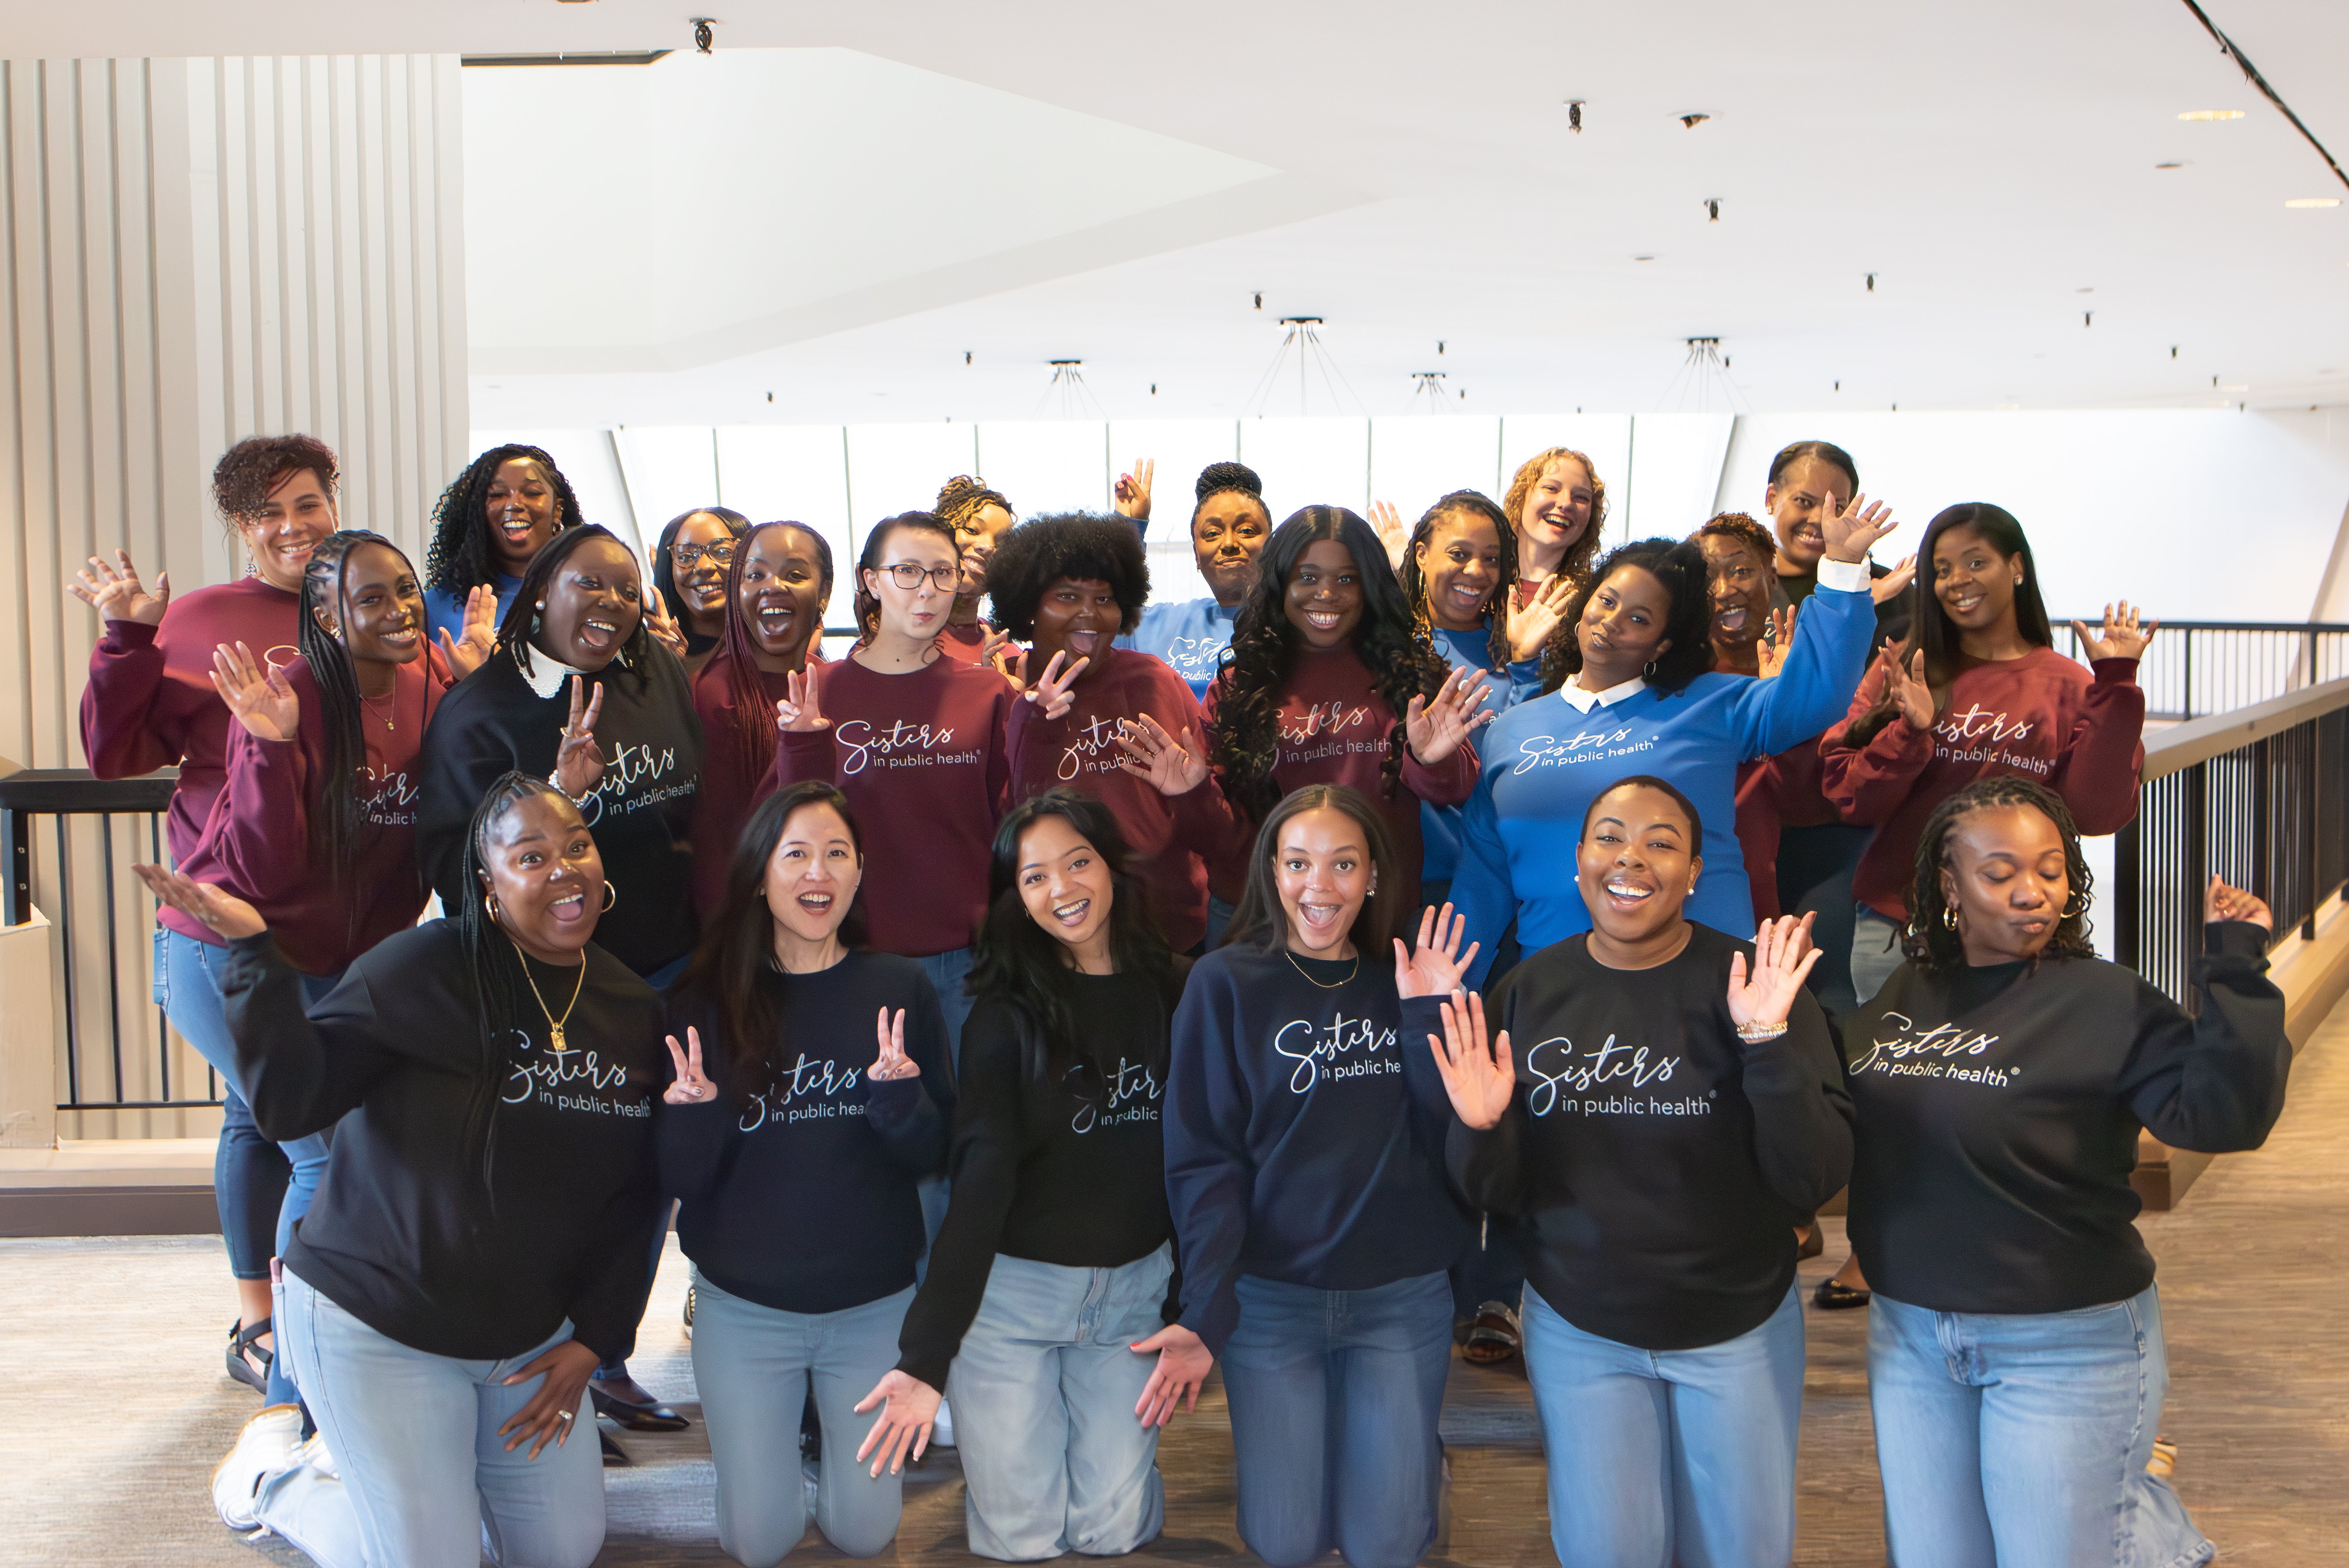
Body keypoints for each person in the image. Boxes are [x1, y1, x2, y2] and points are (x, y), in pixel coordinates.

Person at [155, 772, 665, 1568]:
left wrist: (596, 1338)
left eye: (577, 845)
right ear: (488, 885)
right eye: (530, 856)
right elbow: (292, 1104)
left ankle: (413, 1488)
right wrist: (256, 956)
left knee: (563, 1551)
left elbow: (635, 1195)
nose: (565, 868)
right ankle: (284, 1486)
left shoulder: (632, 1008)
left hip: (522, 1338)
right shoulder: (421, 969)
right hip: (377, 1322)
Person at [1843, 777, 2288, 1567]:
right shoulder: (1907, 990)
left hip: (2064, 1340)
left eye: (2049, 870)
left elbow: (2222, 1117)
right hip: (1912, 1334)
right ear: (1948, 885)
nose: (2030, 893)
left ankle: (2138, 1517)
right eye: (1999, 871)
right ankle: (2127, 1500)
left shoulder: (2107, 1002)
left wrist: (2237, 975)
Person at [1423, 776, 1853, 1568]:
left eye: (1661, 842)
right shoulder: (1528, 991)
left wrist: (1766, 1044)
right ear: (1579, 862)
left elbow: (1810, 1178)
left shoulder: (1758, 983)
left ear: (1695, 871)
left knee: (1739, 1552)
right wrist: (1480, 1128)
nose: (1633, 858)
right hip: (1582, 1327)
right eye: (1610, 837)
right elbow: (1493, 1196)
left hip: (1737, 1326)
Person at [1813, 502, 2153, 1310]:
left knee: (2002, 1098)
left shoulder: (2069, 685)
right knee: (1895, 1103)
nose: (1955, 581)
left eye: (1974, 562)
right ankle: (1873, 1246)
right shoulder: (1907, 667)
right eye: (1940, 567)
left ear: (2016, 567)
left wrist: (2115, 682)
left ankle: (2005, 1243)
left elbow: (2097, 809)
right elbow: (1847, 794)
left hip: (2018, 943)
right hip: (1896, 923)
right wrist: (1914, 731)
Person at [857, 790, 1205, 1561]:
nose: (1062, 889)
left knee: (1106, 1532)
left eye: (1077, 862)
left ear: (1112, 866)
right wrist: (927, 1356)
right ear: (1015, 896)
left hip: (1129, 1298)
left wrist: (1197, 1307)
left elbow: (1207, 1164)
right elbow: (979, 1183)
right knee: (1021, 1539)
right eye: (1034, 876)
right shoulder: (1003, 1014)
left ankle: (1097, 1467)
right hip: (1011, 1302)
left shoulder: (1182, 991)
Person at [183, 530, 485, 1410]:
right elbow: (266, 872)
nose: (397, 612)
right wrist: (273, 748)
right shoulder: (291, 700)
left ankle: (324, 1363)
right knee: (323, 1155)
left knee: (299, 1134)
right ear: (325, 615)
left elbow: (441, 827)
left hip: (336, 960)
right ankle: (292, 1401)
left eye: (403, 593)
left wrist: (473, 689)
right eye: (371, 598)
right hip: (230, 947)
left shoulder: (429, 685)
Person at [72, 434, 347, 1397]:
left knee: (266, 1112)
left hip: (347, 926)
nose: (289, 528)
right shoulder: (195, 620)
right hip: (223, 918)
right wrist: (124, 638)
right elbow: (114, 757)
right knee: (290, 1132)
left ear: (333, 502)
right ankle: (271, 1325)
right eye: (265, 514)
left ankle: (293, 1317)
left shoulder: (365, 608)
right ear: (240, 527)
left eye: (305, 505)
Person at [416, 521, 704, 1426]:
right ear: (538, 591)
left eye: (625, 589)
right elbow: (456, 873)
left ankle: (603, 1348)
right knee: (555, 1173)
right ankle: (537, 1358)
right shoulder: (481, 714)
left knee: (644, 1175)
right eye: (589, 585)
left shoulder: (654, 676)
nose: (610, 605)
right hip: (546, 997)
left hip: (662, 973)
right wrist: (558, 797)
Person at [1164, 785, 1476, 1568]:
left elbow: (1454, 1141)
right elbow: (1203, 1158)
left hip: (1397, 1295)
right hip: (1273, 1300)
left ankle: (1411, 1470)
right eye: (1298, 862)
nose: (1319, 886)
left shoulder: (1406, 979)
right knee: (1285, 1539)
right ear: (1271, 871)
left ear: (1372, 876)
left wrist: (1425, 1015)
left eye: (1343, 864)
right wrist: (1207, 1304)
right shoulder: (1223, 982)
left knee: (1385, 1547)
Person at [660, 781, 954, 1565]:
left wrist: (898, 1100)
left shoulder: (899, 989)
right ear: (760, 873)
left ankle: (815, 1457)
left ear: (859, 872)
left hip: (871, 1306)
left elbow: (932, 1153)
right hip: (745, 1310)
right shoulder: (703, 1000)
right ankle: (768, 1457)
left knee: (865, 1533)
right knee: (758, 1541)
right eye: (795, 853)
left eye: (835, 853)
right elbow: (682, 1176)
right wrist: (692, 1113)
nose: (816, 872)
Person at [1451, 502, 1893, 992]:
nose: (1612, 622)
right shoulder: (1511, 729)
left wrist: (1842, 569)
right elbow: (1481, 885)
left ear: (1663, 645)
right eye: (1607, 601)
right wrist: (1447, 992)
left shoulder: (1711, 705)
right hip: (1560, 994)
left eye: (1640, 619)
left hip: (1706, 988)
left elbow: (1818, 694)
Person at [765, 511, 1076, 1050]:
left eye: (942, 572)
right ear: (872, 581)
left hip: (968, 961)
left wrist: (1040, 733)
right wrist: (801, 745)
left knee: (963, 1115)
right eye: (907, 571)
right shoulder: (823, 691)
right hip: (854, 955)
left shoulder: (986, 692)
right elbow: (792, 829)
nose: (927, 590)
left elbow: (1018, 818)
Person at [1395, 488, 1542, 1363]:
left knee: (1509, 1090)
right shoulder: (1393, 648)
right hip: (1416, 900)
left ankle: (1498, 1292)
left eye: (1491, 557)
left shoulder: (1529, 652)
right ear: (1418, 556)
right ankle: (1437, 1279)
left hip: (1508, 897)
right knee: (1425, 1095)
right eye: (1457, 552)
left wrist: (1523, 664)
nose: (1475, 571)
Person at [1204, 506, 1493, 912]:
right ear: (1279, 582)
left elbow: (1457, 789)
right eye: (1307, 577)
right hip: (1264, 912)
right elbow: (1217, 819)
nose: (1326, 593)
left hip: (1377, 910)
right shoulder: (1239, 683)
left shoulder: (1408, 667)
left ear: (1369, 587)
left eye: (1346, 579)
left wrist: (1428, 761)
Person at [986, 512, 1236, 953]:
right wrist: (1034, 727)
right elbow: (1009, 834)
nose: (1090, 613)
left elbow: (1217, 836)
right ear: (1027, 607)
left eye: (1104, 599)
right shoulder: (1005, 699)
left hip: (1173, 935)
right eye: (1067, 596)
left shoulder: (1154, 680)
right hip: (1066, 944)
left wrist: (1193, 793)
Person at [690, 521, 834, 919]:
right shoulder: (712, 694)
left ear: (824, 592)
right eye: (755, 574)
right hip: (748, 927)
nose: (773, 585)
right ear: (737, 592)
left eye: (795, 575)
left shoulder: (832, 683)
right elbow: (715, 844)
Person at [1124, 461, 1273, 697]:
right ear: (1197, 556)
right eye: (1212, 534)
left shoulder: (1296, 627)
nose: (1230, 544)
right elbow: (1098, 620)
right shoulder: (1160, 627)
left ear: (1272, 546)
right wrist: (1129, 531)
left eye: (1246, 531)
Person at [421, 443, 587, 648]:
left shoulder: (592, 588)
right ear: (478, 513)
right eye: (497, 495)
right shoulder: (439, 602)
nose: (514, 504)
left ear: (557, 510)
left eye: (533, 493)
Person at [1498, 447, 1605, 672]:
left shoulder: (1591, 601)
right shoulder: (1479, 581)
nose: (1566, 503)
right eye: (1551, 488)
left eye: (1581, 497)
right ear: (1521, 496)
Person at [653, 506, 755, 671]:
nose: (704, 566)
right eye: (685, 557)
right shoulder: (655, 658)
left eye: (722, 552)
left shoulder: (776, 652)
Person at [936, 475, 1019, 666]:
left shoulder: (1008, 656)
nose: (988, 546)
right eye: (973, 531)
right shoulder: (901, 642)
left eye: (1001, 543)